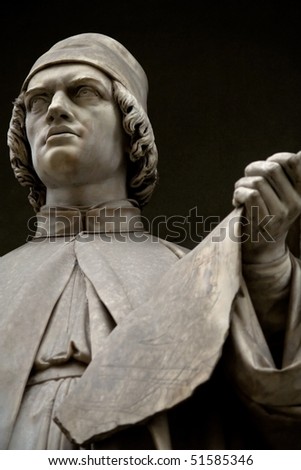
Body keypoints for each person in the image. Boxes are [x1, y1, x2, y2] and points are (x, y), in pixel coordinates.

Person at [1, 32, 301, 450]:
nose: (54, 109)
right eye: (36, 101)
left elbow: (274, 403)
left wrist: (265, 263)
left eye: (83, 92)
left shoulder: (194, 273)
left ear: (131, 128)